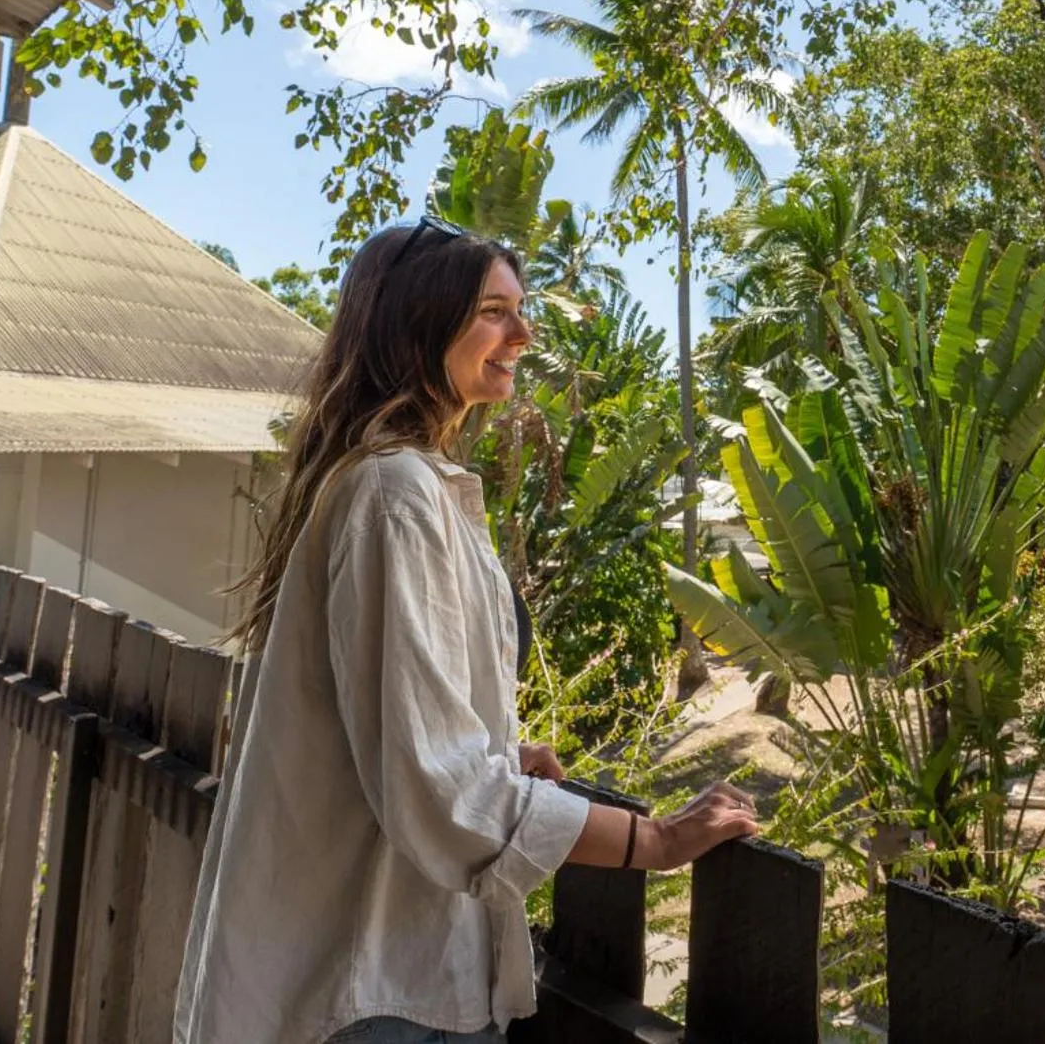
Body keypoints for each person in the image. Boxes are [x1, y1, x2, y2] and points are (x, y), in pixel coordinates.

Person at [175, 216, 757, 1044]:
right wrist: (654, 840)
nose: (523, 332)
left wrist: (488, 750)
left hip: (379, 979)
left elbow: (385, 726)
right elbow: (439, 792)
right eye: (494, 310)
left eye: (519, 310)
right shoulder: (395, 493)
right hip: (374, 987)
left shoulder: (396, 485)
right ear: (418, 322)